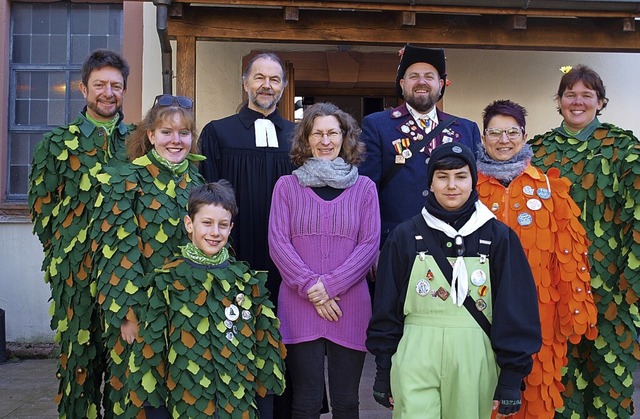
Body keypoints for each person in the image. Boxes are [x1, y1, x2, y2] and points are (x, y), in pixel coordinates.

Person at [366, 142, 542, 418]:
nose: (452, 186)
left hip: (474, 355)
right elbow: (386, 308)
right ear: (431, 183)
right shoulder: (404, 236)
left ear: (473, 182)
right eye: (442, 177)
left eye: (461, 176)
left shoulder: (498, 237)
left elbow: (516, 310)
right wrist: (383, 368)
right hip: (415, 352)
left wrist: (510, 376)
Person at [475, 100, 598, 418]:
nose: (504, 139)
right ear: (484, 137)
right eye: (495, 132)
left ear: (524, 135)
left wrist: (575, 310)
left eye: (512, 131)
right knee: (478, 397)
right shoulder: (465, 188)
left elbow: (570, 256)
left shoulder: (550, 190)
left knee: (535, 397)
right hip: (477, 313)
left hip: (539, 316)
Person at [28, 49, 134, 418]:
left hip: (126, 276)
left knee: (125, 370)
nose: (108, 93)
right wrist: (64, 251)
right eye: (100, 85)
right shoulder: (56, 145)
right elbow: (41, 208)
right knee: (79, 368)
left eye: (116, 86)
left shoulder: (138, 143)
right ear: (83, 88)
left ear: (125, 90)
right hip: (75, 276)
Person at [530, 65, 640, 419]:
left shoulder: (624, 148)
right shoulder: (537, 151)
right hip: (555, 287)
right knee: (562, 381)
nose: (577, 102)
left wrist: (629, 282)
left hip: (610, 289)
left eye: (586, 95)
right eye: (570, 95)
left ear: (601, 101)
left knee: (611, 380)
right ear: (559, 101)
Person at [127, 181, 286, 418]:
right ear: (189, 224)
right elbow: (151, 357)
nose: (215, 232)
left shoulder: (246, 282)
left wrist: (265, 410)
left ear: (231, 228)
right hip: (186, 408)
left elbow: (266, 351)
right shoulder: (166, 283)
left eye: (223, 225)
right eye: (207, 223)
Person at [91, 95, 205, 417]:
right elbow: (115, 254)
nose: (176, 140)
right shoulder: (124, 181)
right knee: (135, 396)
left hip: (184, 311)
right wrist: (127, 315)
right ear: (151, 135)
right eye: (166, 132)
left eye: (184, 133)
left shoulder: (196, 183)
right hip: (138, 313)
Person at [268, 102, 381, 418]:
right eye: (317, 133)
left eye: (333, 132)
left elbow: (369, 244)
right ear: (306, 139)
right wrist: (310, 288)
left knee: (347, 402)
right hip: (299, 305)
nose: (325, 140)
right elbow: (278, 242)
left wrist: (329, 285)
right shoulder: (287, 187)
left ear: (345, 138)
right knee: (306, 400)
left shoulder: (365, 188)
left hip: (350, 305)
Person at [199, 52, 295, 417]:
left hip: (287, 260)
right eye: (259, 77)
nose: (266, 85)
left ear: (283, 87)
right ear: (245, 82)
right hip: (235, 257)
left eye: (274, 79)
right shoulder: (218, 132)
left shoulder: (299, 136)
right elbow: (208, 199)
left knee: (284, 342)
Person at [359, 44, 481, 246]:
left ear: (441, 84)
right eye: (414, 76)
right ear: (402, 83)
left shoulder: (467, 129)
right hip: (397, 243)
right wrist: (370, 248)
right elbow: (366, 193)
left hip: (454, 241)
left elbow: (476, 191)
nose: (421, 82)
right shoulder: (377, 125)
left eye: (429, 76)